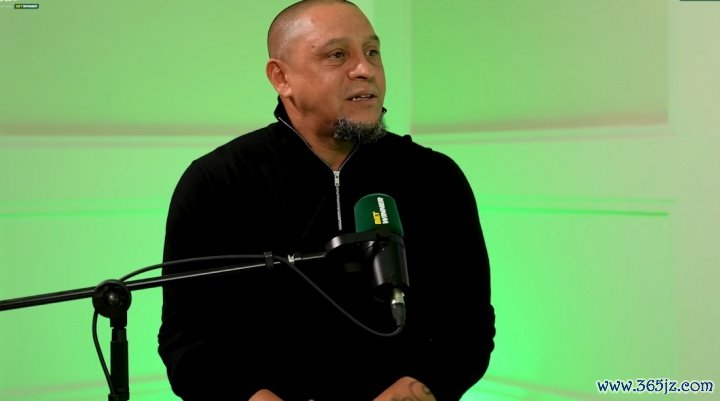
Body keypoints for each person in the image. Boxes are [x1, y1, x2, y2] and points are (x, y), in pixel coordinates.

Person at [157, 1, 495, 400]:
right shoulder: (216, 182)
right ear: (281, 77)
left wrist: (424, 386)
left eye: (372, 52)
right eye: (337, 55)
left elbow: (469, 327)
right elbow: (187, 338)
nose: (365, 69)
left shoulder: (434, 177)